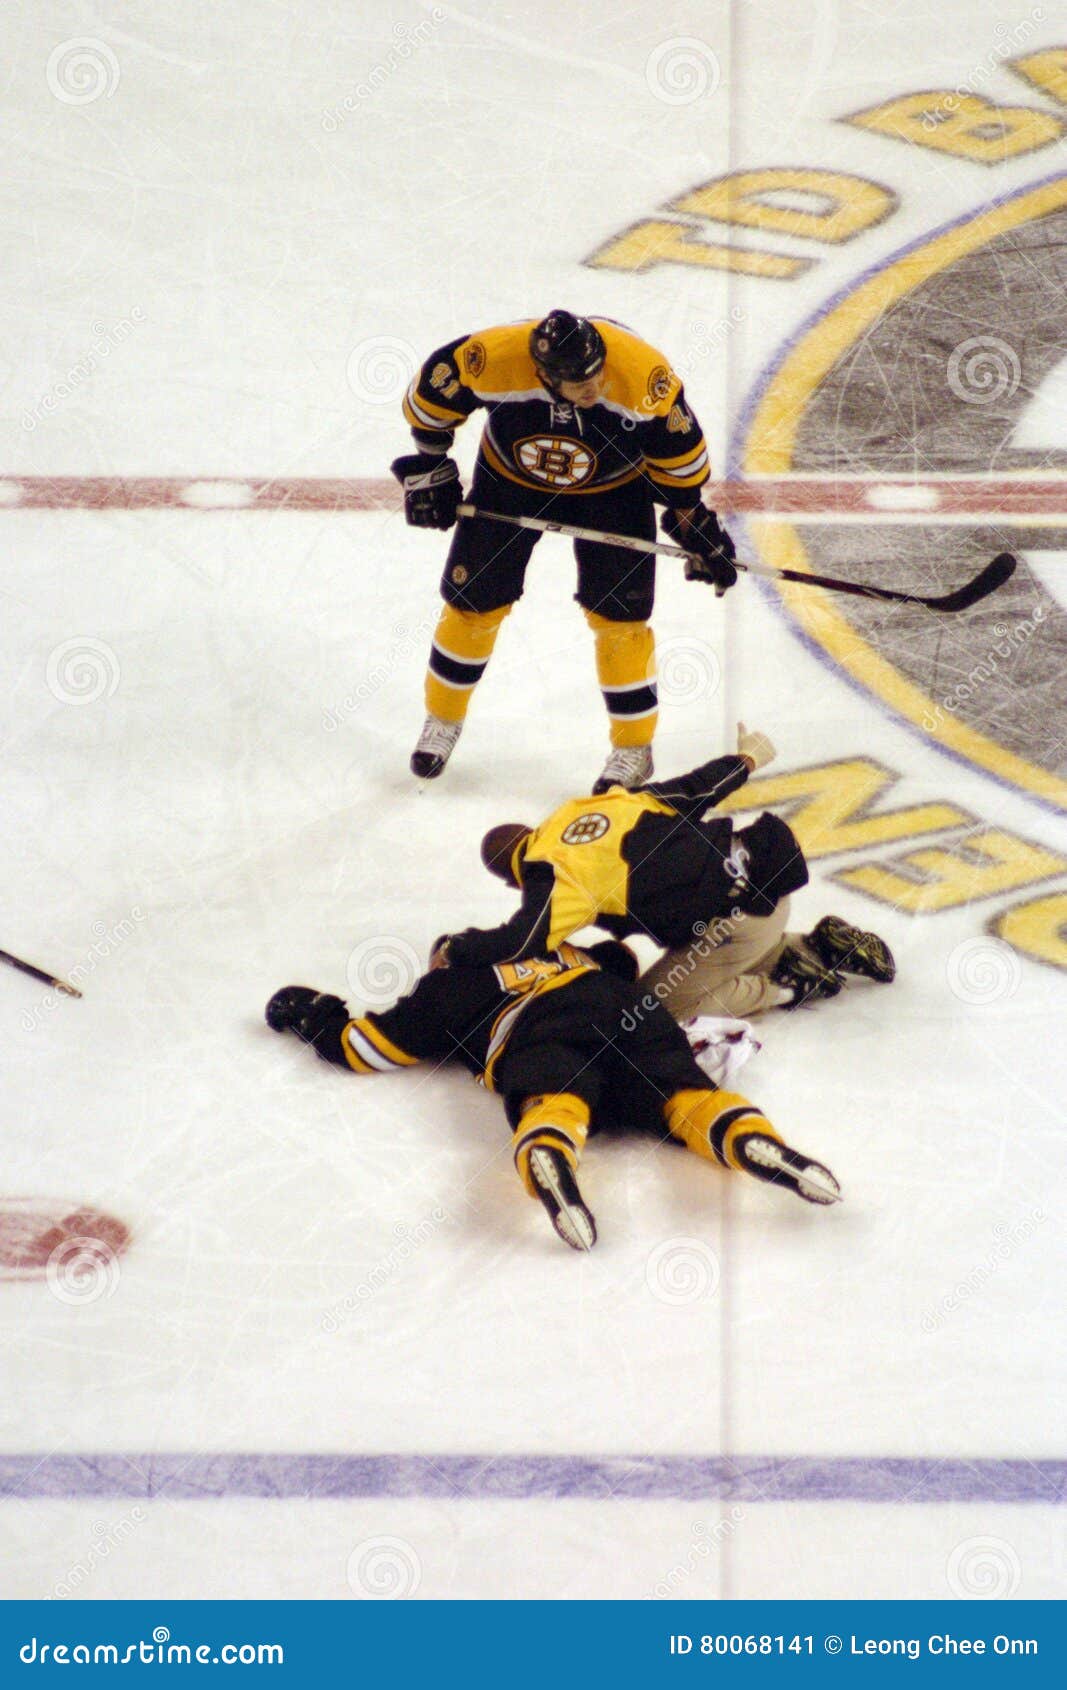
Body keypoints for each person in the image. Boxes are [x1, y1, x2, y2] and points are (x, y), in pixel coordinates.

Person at [265, 941, 840, 1254]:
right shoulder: (564, 950)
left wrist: (313, 1012)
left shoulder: (449, 988)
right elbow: (621, 958)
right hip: (626, 1006)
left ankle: (553, 1160)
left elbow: (362, 1048)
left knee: (554, 1097)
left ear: (448, 959)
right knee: (687, 1097)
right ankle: (755, 1142)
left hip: (542, 1025)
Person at [391, 309, 738, 791]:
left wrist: (693, 523)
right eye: (577, 381)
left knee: (621, 620)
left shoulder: (642, 376)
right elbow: (431, 397)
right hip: (510, 481)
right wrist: (430, 466)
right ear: (544, 373)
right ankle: (442, 720)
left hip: (614, 491)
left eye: (596, 372)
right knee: (472, 605)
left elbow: (680, 462)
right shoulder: (494, 357)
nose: (592, 386)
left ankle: (633, 749)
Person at [432, 726, 810, 971]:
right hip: (767, 879)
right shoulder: (605, 805)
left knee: (658, 1005)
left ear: (512, 882)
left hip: (739, 917)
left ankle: (783, 983)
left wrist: (455, 949)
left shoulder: (553, 877)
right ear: (529, 830)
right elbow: (697, 789)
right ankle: (805, 947)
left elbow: (520, 941)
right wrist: (746, 759)